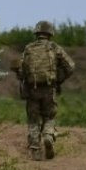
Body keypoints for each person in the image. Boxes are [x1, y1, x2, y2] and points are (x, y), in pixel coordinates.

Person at [15, 20, 75, 160]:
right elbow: (71, 66)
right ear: (50, 33)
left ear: (36, 32)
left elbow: (20, 70)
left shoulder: (28, 49)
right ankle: (48, 136)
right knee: (49, 116)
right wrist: (59, 78)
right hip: (49, 89)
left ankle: (35, 150)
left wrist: (25, 78)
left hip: (32, 90)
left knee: (33, 119)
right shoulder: (54, 47)